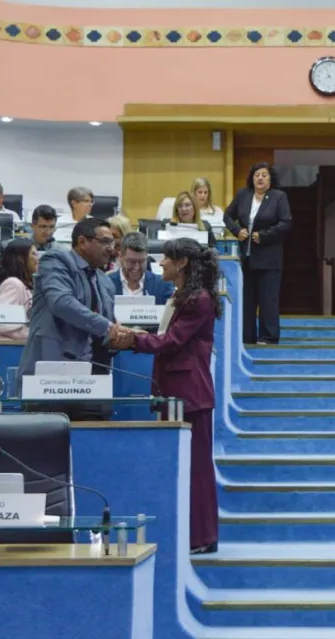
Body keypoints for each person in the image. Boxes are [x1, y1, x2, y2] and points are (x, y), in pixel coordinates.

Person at [122, 237, 221, 554]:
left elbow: (171, 342)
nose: (161, 263)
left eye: (167, 257)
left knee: (197, 470)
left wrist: (132, 339)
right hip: (178, 393)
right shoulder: (185, 296)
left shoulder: (198, 299)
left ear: (182, 263)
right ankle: (193, 536)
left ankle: (202, 537)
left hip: (190, 395)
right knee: (186, 468)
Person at [17, 216, 132, 379]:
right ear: (82, 241)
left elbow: (105, 330)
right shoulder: (56, 261)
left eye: (112, 243)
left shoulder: (106, 282)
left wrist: (115, 339)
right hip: (51, 371)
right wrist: (108, 327)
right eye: (105, 242)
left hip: (92, 375)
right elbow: (61, 302)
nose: (111, 249)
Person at [223, 162, 292, 345]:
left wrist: (264, 235)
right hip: (246, 257)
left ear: (270, 179)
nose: (260, 178)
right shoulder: (243, 195)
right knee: (247, 300)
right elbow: (227, 216)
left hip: (269, 258)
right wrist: (237, 231)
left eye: (264, 175)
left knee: (268, 299)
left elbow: (285, 223)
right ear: (252, 178)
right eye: (257, 175)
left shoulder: (279, 197)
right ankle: (247, 337)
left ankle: (268, 337)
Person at [0, 238, 38, 341]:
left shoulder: (25, 285)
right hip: (3, 345)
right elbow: (1, 322)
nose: (38, 259)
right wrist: (32, 333)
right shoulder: (13, 284)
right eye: (34, 254)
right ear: (21, 258)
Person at [109, 232, 175, 303]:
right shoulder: (106, 283)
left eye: (141, 261)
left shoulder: (163, 285)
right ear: (120, 257)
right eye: (131, 261)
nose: (136, 267)